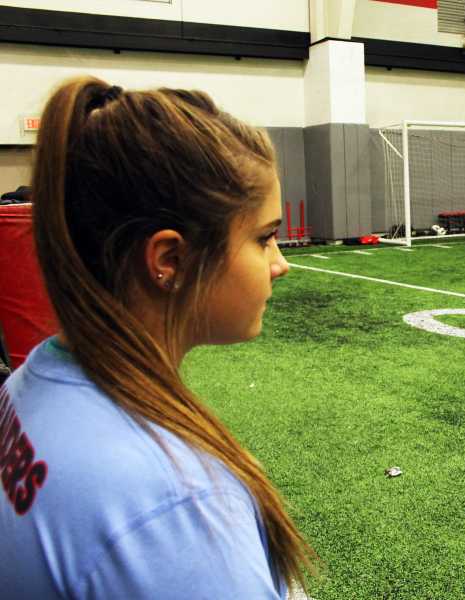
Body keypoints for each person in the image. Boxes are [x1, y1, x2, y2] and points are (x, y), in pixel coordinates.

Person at [0, 77, 317, 598]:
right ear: (170, 260)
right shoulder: (173, 504)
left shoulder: (30, 382)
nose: (280, 263)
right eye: (263, 238)